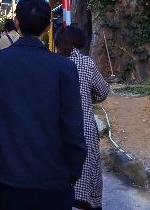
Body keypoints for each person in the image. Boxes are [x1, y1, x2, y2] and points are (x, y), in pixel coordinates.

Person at [0, 0, 86, 210]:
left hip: (3, 181)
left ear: (17, 22)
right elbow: (73, 129)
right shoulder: (64, 68)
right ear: (49, 27)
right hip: (53, 183)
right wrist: (71, 173)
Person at [55, 25, 111, 210]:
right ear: (80, 42)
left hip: (55, 129)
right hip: (83, 128)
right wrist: (89, 98)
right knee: (86, 178)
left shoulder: (52, 64)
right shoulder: (87, 64)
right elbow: (103, 91)